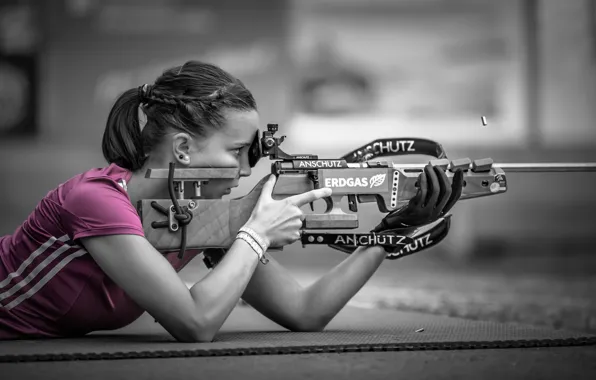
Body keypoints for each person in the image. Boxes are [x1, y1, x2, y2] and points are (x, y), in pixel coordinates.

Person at [0, 61, 463, 342]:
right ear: (183, 150)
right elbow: (195, 323)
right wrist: (256, 234)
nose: (246, 170)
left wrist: (390, 232)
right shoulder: (94, 200)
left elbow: (305, 313)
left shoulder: (196, 213)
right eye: (237, 152)